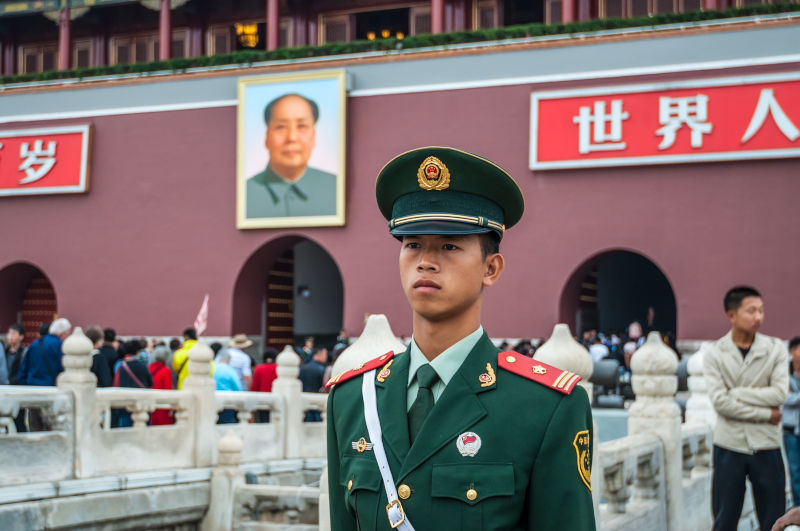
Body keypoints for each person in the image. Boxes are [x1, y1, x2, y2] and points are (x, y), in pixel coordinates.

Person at [326, 147, 595, 530]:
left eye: (450, 245)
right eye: (412, 244)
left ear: (491, 267)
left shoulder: (544, 406)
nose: (426, 261)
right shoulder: (352, 398)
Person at [704, 286, 788, 531]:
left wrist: (737, 394)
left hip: (767, 444)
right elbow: (720, 403)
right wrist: (767, 414)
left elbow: (780, 393)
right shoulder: (715, 353)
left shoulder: (774, 350)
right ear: (732, 315)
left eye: (761, 311)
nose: (758, 317)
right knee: (724, 520)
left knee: (774, 521)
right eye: (751, 311)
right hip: (729, 445)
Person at [246, 93, 337, 218]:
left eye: (302, 126)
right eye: (281, 127)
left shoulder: (335, 188)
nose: (292, 137)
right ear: (266, 137)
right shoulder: (243, 194)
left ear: (314, 136)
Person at [113, 340, 153, 427]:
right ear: (137, 352)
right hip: (141, 404)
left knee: (125, 430)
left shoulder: (120, 366)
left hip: (125, 403)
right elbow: (150, 383)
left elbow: (116, 383)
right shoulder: (143, 366)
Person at [784, 337, 800, 507]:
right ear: (791, 351)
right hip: (790, 431)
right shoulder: (784, 374)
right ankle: (797, 510)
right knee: (795, 472)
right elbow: (783, 397)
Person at [213, 350, 242, 424]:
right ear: (229, 360)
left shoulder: (212, 368)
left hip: (213, 400)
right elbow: (238, 388)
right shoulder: (230, 371)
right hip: (227, 402)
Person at [149, 345, 175, 426]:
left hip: (151, 401)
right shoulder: (165, 370)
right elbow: (168, 389)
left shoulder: (149, 368)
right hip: (162, 404)